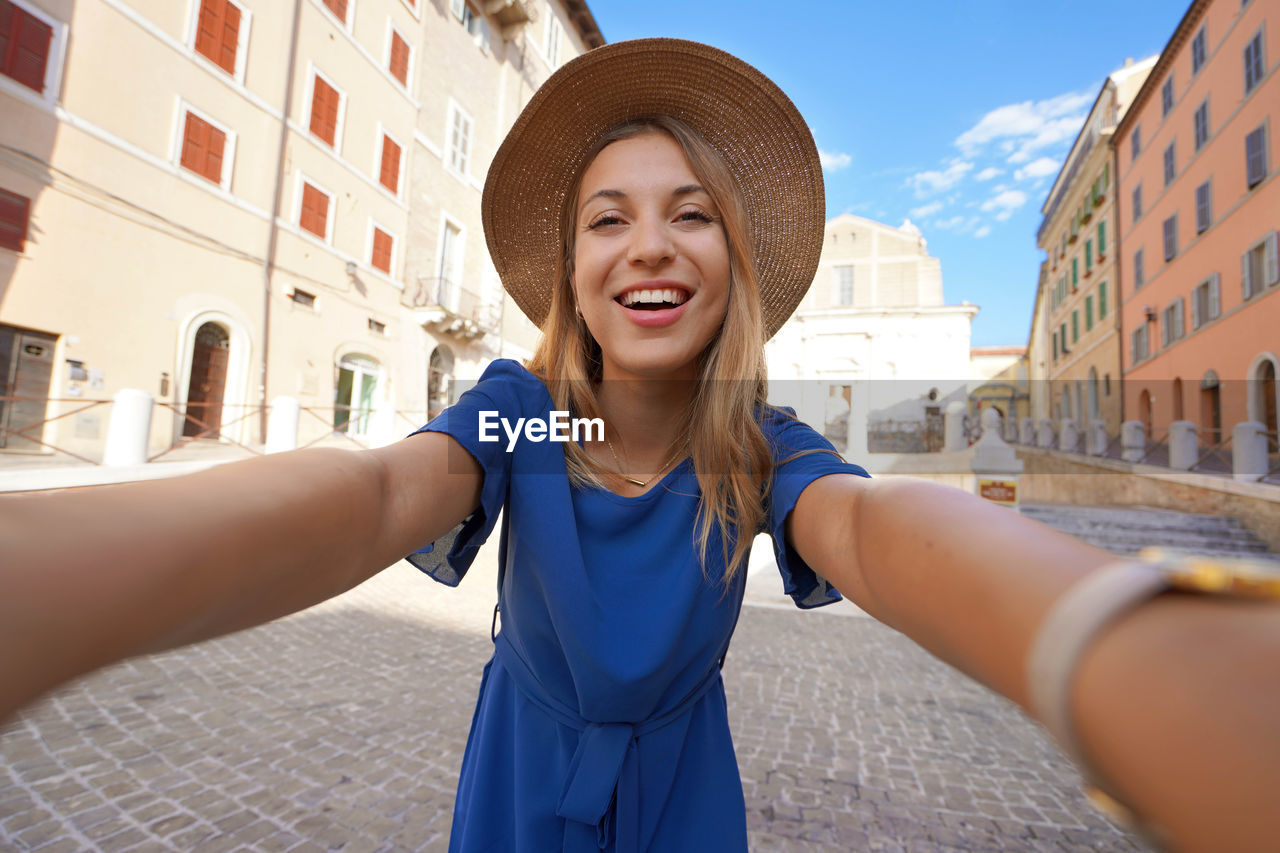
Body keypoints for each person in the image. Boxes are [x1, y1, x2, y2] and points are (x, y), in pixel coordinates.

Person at [1, 38, 1278, 853]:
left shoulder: (759, 452)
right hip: (520, 781)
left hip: (682, 798)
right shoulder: (531, 413)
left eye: (691, 216)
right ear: (572, 267)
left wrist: (1116, 635)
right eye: (607, 217)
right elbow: (380, 489)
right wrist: (50, 572)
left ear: (733, 265)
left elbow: (882, 533)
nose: (649, 245)